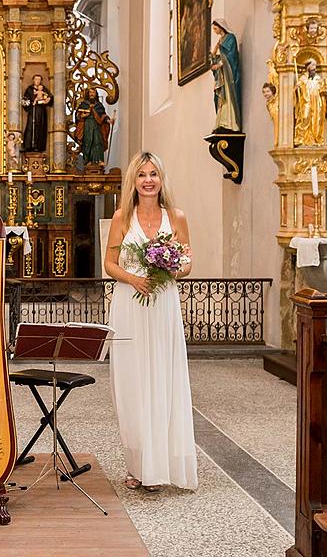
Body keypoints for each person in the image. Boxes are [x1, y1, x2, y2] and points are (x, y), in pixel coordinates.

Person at [104, 151, 198, 493]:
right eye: (142, 174)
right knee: (133, 384)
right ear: (134, 181)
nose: (148, 180)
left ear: (161, 179)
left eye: (153, 174)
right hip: (131, 303)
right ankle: (139, 465)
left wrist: (173, 266)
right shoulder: (121, 217)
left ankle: (165, 465)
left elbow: (187, 262)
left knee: (163, 377)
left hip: (162, 304)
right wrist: (133, 279)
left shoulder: (177, 216)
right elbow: (109, 263)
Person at [211, 20, 242, 133]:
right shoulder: (220, 40)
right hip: (222, 75)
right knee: (221, 98)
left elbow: (231, 56)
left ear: (221, 27)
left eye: (215, 28)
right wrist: (214, 56)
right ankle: (222, 122)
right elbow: (218, 57)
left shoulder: (230, 38)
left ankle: (230, 122)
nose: (214, 31)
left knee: (228, 97)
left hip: (229, 75)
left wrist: (219, 64)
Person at [21, 74, 52, 152]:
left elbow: (49, 97)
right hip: (33, 110)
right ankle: (28, 145)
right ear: (33, 80)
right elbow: (25, 99)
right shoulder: (30, 89)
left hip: (41, 111)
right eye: (36, 79)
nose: (38, 81)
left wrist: (47, 100)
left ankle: (39, 146)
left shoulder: (43, 89)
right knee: (30, 126)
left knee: (40, 127)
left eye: (39, 79)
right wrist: (30, 102)